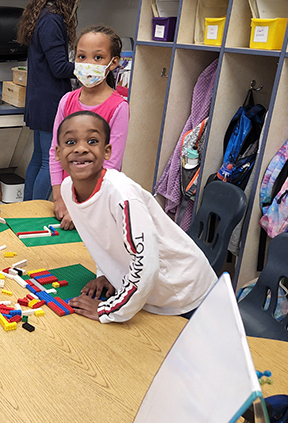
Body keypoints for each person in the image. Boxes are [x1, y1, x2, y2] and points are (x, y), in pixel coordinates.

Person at [55, 112, 217, 323]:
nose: (81, 148)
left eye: (92, 141)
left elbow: (146, 262)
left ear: (107, 151)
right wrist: (107, 274)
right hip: (146, 295)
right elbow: (102, 239)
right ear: (58, 152)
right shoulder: (68, 189)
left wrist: (108, 310)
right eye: (70, 141)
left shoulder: (122, 195)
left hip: (184, 293)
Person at [17, 0, 84, 200]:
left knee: (38, 157)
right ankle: (33, 214)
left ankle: (25, 210)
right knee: (49, 161)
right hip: (50, 102)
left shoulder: (43, 15)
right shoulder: (53, 20)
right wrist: (88, 68)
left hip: (39, 99)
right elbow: (59, 68)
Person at [50, 24, 129, 229]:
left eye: (98, 57)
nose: (88, 64)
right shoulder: (66, 101)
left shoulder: (118, 107)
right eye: (82, 57)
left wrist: (84, 207)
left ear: (113, 63)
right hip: (65, 201)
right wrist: (58, 197)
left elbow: (111, 166)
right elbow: (55, 152)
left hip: (97, 205)